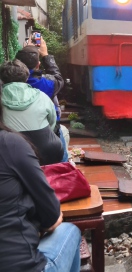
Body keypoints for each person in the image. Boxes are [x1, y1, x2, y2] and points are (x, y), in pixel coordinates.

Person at [0, 82, 81, 272]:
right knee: (70, 230)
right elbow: (52, 217)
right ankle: (66, 166)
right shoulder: (9, 143)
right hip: (19, 265)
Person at [0, 59, 62, 165]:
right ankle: (64, 168)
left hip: (13, 154)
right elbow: (52, 123)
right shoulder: (42, 96)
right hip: (48, 151)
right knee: (62, 132)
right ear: (26, 77)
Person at [16, 39, 68, 161]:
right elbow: (58, 79)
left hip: (17, 138)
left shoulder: (7, 84)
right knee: (62, 137)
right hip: (46, 135)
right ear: (38, 64)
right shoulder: (46, 84)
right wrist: (46, 56)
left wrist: (25, 53)